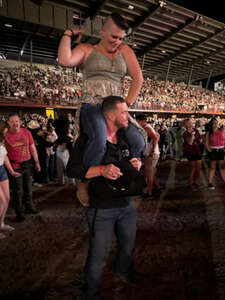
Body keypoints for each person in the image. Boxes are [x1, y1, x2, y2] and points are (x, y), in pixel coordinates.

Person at [67, 96, 143, 300]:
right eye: (124, 112)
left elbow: (131, 162)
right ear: (110, 115)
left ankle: (123, 276)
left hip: (127, 206)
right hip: (101, 209)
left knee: (127, 247)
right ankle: (91, 293)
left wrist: (136, 164)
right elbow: (72, 169)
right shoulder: (88, 140)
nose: (129, 116)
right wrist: (101, 169)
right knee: (98, 256)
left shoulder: (126, 138)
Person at [58, 12, 145, 170]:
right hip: (93, 104)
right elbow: (64, 60)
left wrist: (126, 104)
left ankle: (127, 171)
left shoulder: (124, 50)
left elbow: (138, 78)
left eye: (120, 38)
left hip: (115, 106)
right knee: (99, 139)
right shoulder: (87, 49)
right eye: (114, 37)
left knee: (138, 140)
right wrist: (68, 34)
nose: (117, 41)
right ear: (102, 31)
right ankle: (85, 179)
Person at [5, 113, 41, 221]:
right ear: (8, 123)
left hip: (27, 165)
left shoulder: (26, 132)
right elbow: (4, 153)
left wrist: (37, 162)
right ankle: (19, 212)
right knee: (18, 191)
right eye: (12, 121)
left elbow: (32, 147)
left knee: (28, 189)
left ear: (20, 122)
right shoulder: (5, 135)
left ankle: (29, 207)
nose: (15, 124)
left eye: (16, 121)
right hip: (15, 166)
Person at [0, 121, 21, 239]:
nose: (7, 132)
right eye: (5, 130)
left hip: (2, 170)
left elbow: (5, 156)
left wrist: (12, 171)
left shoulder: (2, 141)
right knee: (1, 201)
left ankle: (1, 224)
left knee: (7, 199)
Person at [136, 114, 161, 199]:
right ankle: (157, 188)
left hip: (151, 153)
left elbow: (155, 138)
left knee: (149, 174)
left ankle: (149, 193)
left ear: (142, 121)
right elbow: (156, 136)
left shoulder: (147, 128)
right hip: (151, 153)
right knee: (150, 173)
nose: (137, 123)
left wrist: (152, 151)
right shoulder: (147, 127)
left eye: (138, 121)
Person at [205, 117, 225, 190]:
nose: (215, 124)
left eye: (216, 122)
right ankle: (210, 183)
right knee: (212, 167)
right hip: (213, 150)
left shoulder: (222, 130)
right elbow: (206, 143)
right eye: (214, 122)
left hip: (221, 150)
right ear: (211, 124)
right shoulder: (209, 132)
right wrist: (209, 150)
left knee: (222, 167)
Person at [183, 118, 202, 191]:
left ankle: (195, 182)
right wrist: (192, 135)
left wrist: (199, 140)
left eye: (190, 123)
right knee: (192, 168)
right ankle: (190, 183)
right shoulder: (185, 133)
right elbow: (190, 142)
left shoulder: (196, 130)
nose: (190, 124)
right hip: (190, 152)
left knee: (199, 168)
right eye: (188, 123)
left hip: (197, 150)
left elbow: (200, 139)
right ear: (185, 125)